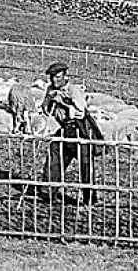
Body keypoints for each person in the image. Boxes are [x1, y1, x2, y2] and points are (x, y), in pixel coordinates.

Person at [39, 62, 104, 205]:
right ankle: (49, 193)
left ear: (64, 76)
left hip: (79, 131)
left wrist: (62, 101)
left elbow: (80, 112)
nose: (54, 80)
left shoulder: (74, 91)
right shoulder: (50, 89)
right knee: (54, 157)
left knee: (85, 166)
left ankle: (89, 199)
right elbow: (45, 108)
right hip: (63, 129)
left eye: (57, 77)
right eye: (52, 78)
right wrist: (49, 100)